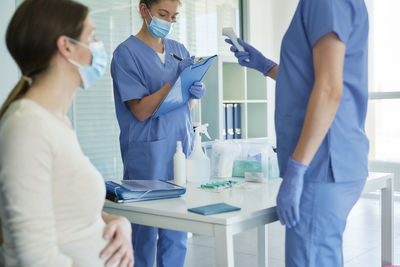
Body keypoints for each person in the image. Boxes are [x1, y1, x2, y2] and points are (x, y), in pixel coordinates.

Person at [226, 0, 369, 266]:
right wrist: (266, 67)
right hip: (333, 158)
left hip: (322, 162)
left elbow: (328, 89)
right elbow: (312, 79)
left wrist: (297, 168)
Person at [0, 0, 134, 266]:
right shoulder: (27, 126)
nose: (98, 45)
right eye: (92, 35)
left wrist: (114, 220)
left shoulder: (55, 121)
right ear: (66, 46)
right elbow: (36, 257)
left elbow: (63, 210)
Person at [110, 0, 206, 266]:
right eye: (163, 14)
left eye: (174, 16)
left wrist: (193, 91)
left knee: (177, 229)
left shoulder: (178, 50)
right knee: (145, 232)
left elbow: (184, 104)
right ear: (144, 10)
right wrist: (173, 82)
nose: (169, 22)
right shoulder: (126, 54)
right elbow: (140, 110)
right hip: (147, 154)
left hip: (179, 147)